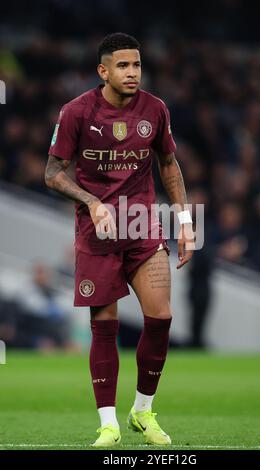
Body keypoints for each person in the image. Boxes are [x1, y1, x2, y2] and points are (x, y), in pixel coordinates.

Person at [45, 32, 194, 447]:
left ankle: (142, 412)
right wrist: (92, 201)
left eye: (137, 65)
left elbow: (168, 164)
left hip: (142, 226)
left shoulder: (155, 110)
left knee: (161, 316)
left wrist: (184, 219)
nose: (133, 73)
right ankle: (108, 423)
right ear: (103, 71)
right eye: (124, 65)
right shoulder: (76, 112)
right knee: (104, 324)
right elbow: (52, 173)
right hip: (97, 232)